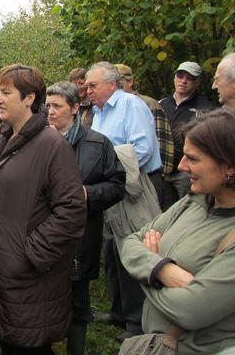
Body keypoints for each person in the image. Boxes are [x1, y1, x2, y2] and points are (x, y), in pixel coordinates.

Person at [0, 64, 87, 355]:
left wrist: (29, 253)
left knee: (29, 347)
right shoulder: (9, 139)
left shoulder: (51, 144)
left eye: (6, 92)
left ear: (29, 98)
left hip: (28, 277)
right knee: (12, 344)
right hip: (3, 271)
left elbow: (71, 209)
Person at [120, 108, 235, 354]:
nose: (181, 166)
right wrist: (163, 270)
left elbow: (190, 310)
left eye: (193, 159)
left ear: (229, 167)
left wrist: (148, 270)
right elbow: (130, 241)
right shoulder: (194, 201)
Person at [46, 82, 126, 355]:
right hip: (44, 234)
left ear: (75, 108)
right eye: (48, 106)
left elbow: (117, 186)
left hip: (81, 235)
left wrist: (87, 193)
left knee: (77, 300)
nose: (51, 112)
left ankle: (75, 349)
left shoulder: (97, 143)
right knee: (43, 296)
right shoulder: (40, 140)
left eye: (57, 106)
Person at [85, 61, 162, 338]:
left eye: (93, 85)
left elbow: (142, 149)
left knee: (132, 251)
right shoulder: (97, 112)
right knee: (112, 253)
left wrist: (108, 170)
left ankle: (138, 324)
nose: (88, 91)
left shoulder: (131, 105)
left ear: (112, 84)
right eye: (86, 86)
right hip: (112, 189)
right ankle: (118, 312)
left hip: (135, 188)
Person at [115, 63, 175, 208]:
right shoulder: (106, 107)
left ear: (130, 81)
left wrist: (163, 177)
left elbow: (163, 143)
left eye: (119, 80)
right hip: (125, 180)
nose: (116, 84)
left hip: (148, 177)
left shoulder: (148, 103)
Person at [160, 62, 215, 204]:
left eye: (190, 78)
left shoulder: (205, 108)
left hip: (187, 173)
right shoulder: (161, 104)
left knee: (187, 208)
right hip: (161, 171)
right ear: (174, 78)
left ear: (197, 82)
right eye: (180, 75)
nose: (183, 81)